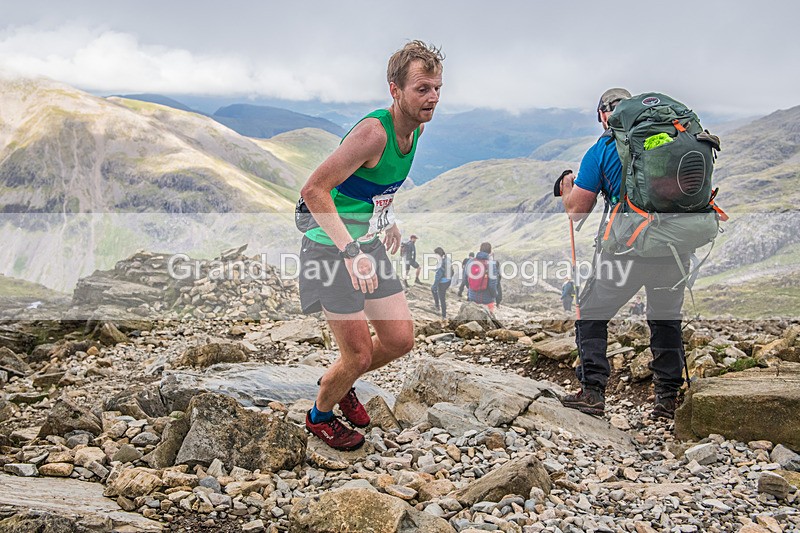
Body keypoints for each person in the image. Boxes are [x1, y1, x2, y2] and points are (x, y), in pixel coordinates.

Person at [298, 41, 444, 450]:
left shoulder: (415, 127)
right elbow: (314, 191)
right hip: (330, 248)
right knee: (358, 356)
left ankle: (343, 380)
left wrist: (388, 219)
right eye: (422, 89)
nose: (432, 97)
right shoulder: (372, 133)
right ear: (395, 90)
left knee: (399, 339)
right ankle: (320, 416)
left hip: (365, 242)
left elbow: (372, 186)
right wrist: (350, 253)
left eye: (436, 87)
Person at [559, 87, 688, 420]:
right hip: (674, 248)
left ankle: (592, 392)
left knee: (590, 312)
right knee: (665, 320)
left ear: (604, 115)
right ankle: (666, 401)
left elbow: (577, 212)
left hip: (626, 251)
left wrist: (566, 189)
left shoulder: (602, 148)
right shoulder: (673, 135)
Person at [467, 242, 502, 313]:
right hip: (487, 299)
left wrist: (471, 290)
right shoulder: (491, 264)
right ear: (490, 251)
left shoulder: (471, 261)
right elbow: (492, 285)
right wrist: (494, 295)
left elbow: (465, 278)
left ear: (480, 250)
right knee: (488, 321)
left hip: (472, 296)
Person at [431, 247, 452, 319]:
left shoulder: (441, 262)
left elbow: (438, 276)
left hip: (442, 282)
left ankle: (443, 315)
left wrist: (435, 285)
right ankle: (438, 307)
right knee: (440, 295)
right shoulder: (447, 258)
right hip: (448, 281)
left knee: (441, 297)